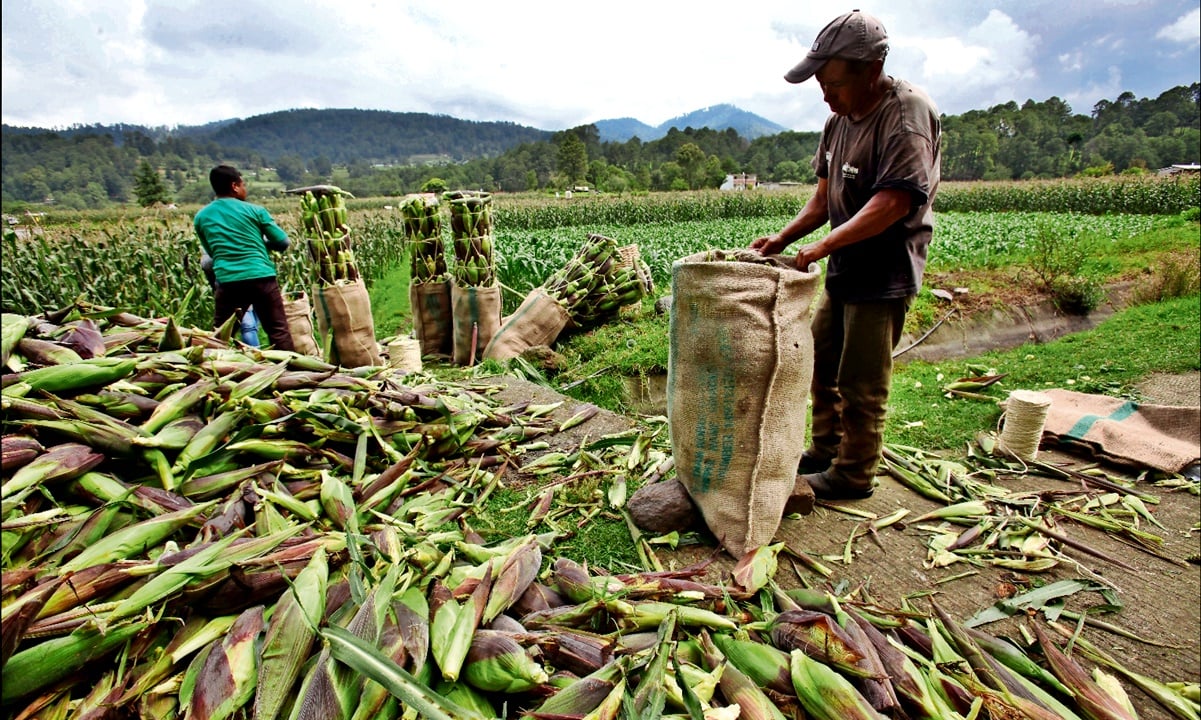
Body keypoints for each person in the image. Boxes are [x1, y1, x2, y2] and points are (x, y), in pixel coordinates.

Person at [751, 9, 941, 502]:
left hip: (884, 271)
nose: (825, 95)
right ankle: (826, 449)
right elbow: (822, 199)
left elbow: (893, 201)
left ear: (870, 71)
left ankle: (854, 474)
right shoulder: (838, 121)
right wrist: (784, 239)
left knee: (862, 381)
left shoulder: (905, 114)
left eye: (832, 83)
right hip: (845, 267)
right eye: (820, 84)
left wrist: (823, 247)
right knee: (820, 361)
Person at [193, 165, 295, 351]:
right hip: (261, 277)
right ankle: (294, 374)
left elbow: (212, 253)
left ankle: (214, 372)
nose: (245, 189)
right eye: (243, 184)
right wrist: (261, 243)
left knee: (220, 335)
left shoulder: (201, 217)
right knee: (278, 331)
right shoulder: (255, 211)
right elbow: (282, 242)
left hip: (228, 281)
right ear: (234, 186)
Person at [200, 250, 261, 347]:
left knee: (249, 326)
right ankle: (256, 353)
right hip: (251, 277)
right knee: (249, 326)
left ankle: (255, 353)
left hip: (242, 279)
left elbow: (207, 264)